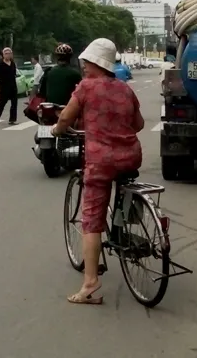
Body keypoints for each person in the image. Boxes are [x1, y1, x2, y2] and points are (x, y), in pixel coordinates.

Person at [51, 38, 144, 305]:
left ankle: (90, 282)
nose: (83, 67)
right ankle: (123, 228)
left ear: (95, 63)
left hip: (101, 161)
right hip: (131, 157)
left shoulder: (86, 87)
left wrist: (57, 130)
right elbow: (138, 124)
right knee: (121, 183)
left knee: (91, 218)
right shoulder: (125, 89)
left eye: (87, 63)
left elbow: (66, 117)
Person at [0, 47, 18, 125]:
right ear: (3, 55)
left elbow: (14, 75)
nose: (7, 55)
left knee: (14, 103)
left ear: (11, 54)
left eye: (9, 53)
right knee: (2, 103)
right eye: (6, 54)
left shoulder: (13, 64)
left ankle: (12, 119)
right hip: (4, 87)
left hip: (13, 87)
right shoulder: (0, 65)